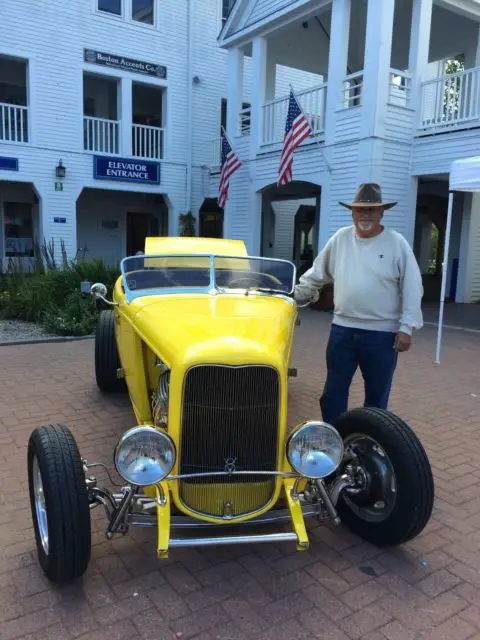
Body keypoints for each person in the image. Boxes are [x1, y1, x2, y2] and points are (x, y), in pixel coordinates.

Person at [293, 182, 424, 424]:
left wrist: (407, 327)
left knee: (376, 398)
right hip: (342, 330)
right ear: (352, 212)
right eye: (360, 210)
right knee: (333, 393)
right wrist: (293, 294)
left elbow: (412, 286)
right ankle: (336, 441)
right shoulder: (340, 239)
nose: (365, 215)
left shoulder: (397, 243)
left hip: (382, 336)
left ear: (382, 212)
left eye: (371, 210)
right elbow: (317, 274)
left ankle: (369, 443)